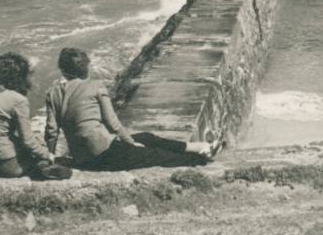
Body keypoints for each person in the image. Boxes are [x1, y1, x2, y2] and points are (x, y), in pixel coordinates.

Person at [45, 47, 221, 171]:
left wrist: (51, 155)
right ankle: (202, 159)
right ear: (85, 68)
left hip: (82, 157)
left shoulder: (52, 92)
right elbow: (112, 123)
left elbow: (52, 131)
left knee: (146, 137)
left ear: (63, 70)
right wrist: (130, 143)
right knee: (157, 156)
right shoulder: (96, 86)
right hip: (104, 154)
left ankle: (198, 146)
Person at [0, 52, 71, 179]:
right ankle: (44, 167)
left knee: (21, 141)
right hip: (7, 167)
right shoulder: (18, 100)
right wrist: (47, 154)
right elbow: (27, 141)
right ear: (21, 77)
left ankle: (43, 165)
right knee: (38, 149)